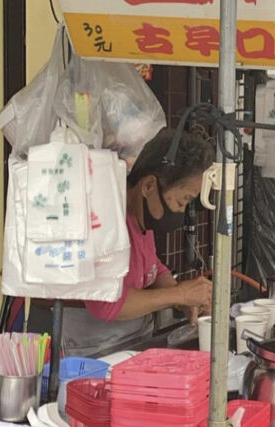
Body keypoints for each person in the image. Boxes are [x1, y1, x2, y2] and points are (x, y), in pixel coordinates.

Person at [32, 128, 215, 357]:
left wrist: (183, 298)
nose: (182, 210)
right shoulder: (106, 220)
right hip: (86, 348)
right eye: (182, 200)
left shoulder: (140, 220)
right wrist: (179, 295)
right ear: (148, 186)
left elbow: (154, 267)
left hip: (130, 340)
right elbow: (108, 304)